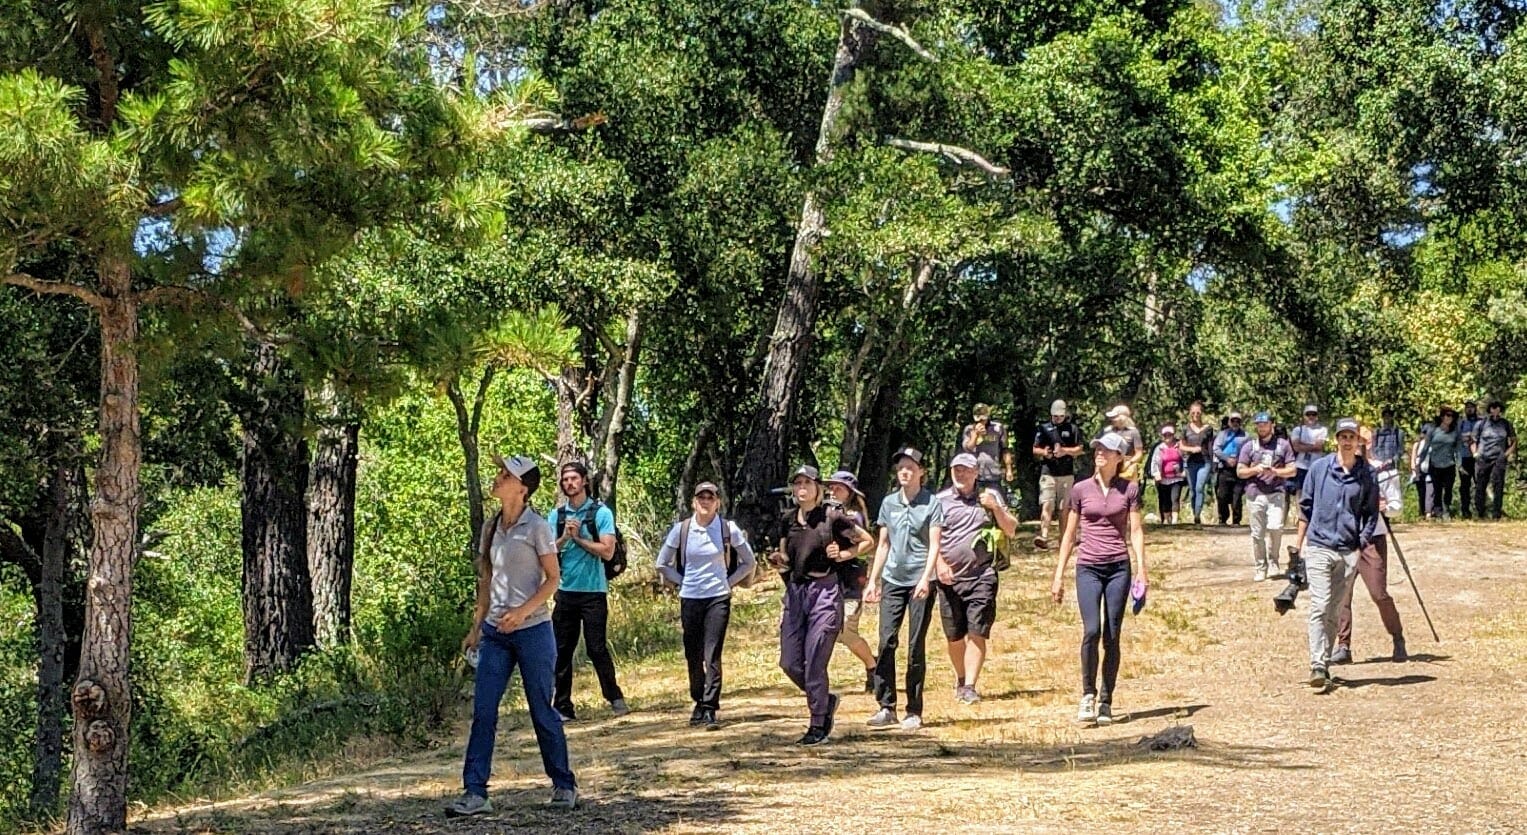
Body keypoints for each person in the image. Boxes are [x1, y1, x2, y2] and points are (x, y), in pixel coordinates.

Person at [449, 455, 577, 817]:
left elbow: (553, 579)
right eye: (500, 472)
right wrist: (476, 628)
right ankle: (475, 793)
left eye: (506, 475)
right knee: (484, 711)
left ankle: (564, 785)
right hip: (495, 635)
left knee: (542, 711)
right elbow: (486, 580)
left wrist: (522, 611)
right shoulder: (491, 527)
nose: (498, 478)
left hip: (533, 631)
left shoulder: (536, 527)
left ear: (522, 488)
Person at [770, 465, 874, 745]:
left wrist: (843, 554)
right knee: (790, 662)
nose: (802, 487)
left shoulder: (832, 516)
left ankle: (817, 723)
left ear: (818, 488)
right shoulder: (788, 519)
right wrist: (779, 560)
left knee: (815, 660)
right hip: (796, 592)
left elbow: (867, 541)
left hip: (825, 592)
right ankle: (825, 700)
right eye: (797, 483)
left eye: (807, 482)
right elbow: (786, 553)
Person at [1049, 432, 1147, 726]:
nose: (1100, 453)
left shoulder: (1129, 490)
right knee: (1092, 630)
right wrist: (1058, 576)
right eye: (1098, 449)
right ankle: (1088, 694)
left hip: (1118, 567)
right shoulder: (1080, 490)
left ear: (1119, 457)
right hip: (1088, 567)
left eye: (1107, 450)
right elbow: (1069, 535)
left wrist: (1142, 569)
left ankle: (1106, 699)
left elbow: (1137, 531)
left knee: (1112, 634)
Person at [654, 482, 757, 730]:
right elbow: (662, 563)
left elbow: (749, 561)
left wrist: (728, 583)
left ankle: (710, 706)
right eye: (701, 497)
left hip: (718, 598)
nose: (706, 501)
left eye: (711, 497)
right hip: (690, 598)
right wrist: (682, 583)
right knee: (693, 653)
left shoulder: (727, 529)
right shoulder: (682, 530)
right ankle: (698, 700)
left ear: (718, 502)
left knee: (712, 653)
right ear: (694, 502)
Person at [1293, 418, 1379, 692]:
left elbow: (1370, 512)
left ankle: (1326, 660)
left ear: (1357, 442)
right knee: (1320, 604)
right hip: (1319, 546)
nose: (1347, 441)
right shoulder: (1319, 469)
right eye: (1342, 436)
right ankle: (1317, 664)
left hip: (1347, 550)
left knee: (1334, 609)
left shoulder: (1366, 474)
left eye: (1351, 437)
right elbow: (1305, 506)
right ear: (1336, 440)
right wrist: (1299, 545)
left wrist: (1360, 541)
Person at [864, 448, 944, 731]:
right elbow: (883, 544)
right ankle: (886, 705)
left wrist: (926, 578)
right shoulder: (889, 503)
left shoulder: (931, 503)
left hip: (920, 580)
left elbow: (935, 544)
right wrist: (873, 580)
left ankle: (914, 709)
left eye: (910, 467)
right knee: (886, 640)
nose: (905, 472)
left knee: (914, 646)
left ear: (921, 471)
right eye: (900, 468)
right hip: (893, 579)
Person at [935, 453, 1019, 704]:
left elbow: (1012, 529)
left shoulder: (989, 498)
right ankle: (960, 678)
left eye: (966, 470)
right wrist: (939, 564)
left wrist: (995, 507)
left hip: (981, 575)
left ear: (975, 473)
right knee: (954, 635)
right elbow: (928, 538)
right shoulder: (939, 501)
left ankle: (970, 685)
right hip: (948, 578)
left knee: (977, 631)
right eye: (956, 470)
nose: (960, 475)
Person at [550, 462, 628, 721]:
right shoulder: (556, 516)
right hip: (565, 591)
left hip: (594, 592)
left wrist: (579, 538)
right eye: (565, 479)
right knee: (561, 650)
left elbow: (607, 550)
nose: (569, 483)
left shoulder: (601, 513)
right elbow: (548, 552)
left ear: (584, 481)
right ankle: (562, 707)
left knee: (596, 647)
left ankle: (614, 696)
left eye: (574, 478)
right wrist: (564, 537)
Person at [1332, 432, 1407, 666]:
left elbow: (1396, 507)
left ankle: (1397, 636)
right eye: (1352, 439)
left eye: (1362, 440)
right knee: (1342, 595)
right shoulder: (1335, 469)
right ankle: (1343, 645)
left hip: (1372, 539)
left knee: (1378, 593)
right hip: (1344, 538)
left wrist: (1385, 506)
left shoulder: (1383, 471)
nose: (1358, 445)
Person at [825, 471, 878, 693]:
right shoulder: (828, 514)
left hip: (850, 581)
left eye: (838, 488)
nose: (833, 491)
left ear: (849, 493)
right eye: (831, 487)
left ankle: (873, 666)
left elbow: (867, 544)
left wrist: (844, 555)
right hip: (829, 580)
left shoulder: (852, 517)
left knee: (845, 629)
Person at [1237, 412, 1297, 581]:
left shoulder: (1283, 445)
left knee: (1276, 528)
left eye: (1265, 424)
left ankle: (1274, 561)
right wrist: (1254, 470)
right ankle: (1260, 566)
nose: (1262, 427)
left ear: (1272, 424)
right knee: (1257, 533)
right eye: (1259, 424)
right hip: (1255, 494)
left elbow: (1292, 470)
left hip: (1276, 492)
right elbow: (1240, 471)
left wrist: (1276, 471)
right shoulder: (1250, 446)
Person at [1032, 399, 1086, 549]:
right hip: (1048, 472)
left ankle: (1065, 539)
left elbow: (1080, 449)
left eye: (1060, 416)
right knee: (1047, 503)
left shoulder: (1072, 429)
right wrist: (1045, 453)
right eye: (1055, 416)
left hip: (1066, 474)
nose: (1057, 419)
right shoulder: (1043, 428)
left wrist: (1064, 452)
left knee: (1064, 508)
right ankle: (1044, 535)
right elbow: (1035, 449)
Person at [1471, 400, 1517, 520]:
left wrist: (1506, 454)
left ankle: (1496, 514)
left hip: (1499, 458)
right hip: (1483, 457)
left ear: (1500, 410)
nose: (1495, 410)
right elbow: (1473, 441)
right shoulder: (1481, 424)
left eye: (1497, 408)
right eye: (1493, 407)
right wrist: (1475, 453)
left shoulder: (1506, 424)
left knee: (1498, 485)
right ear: (1489, 409)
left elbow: (1513, 441)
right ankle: (1480, 512)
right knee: (1481, 484)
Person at [962, 403, 1014, 497]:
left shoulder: (998, 428)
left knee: (997, 503)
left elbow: (1005, 449)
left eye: (983, 418)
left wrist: (1009, 469)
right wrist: (976, 435)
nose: (981, 421)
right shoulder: (969, 429)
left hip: (994, 474)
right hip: (975, 475)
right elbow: (968, 449)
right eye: (979, 418)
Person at [1288, 405, 1328, 523]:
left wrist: (1303, 445)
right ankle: (1301, 518)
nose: (1311, 417)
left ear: (1317, 416)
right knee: (1300, 492)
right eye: (1308, 414)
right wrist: (1312, 446)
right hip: (1301, 466)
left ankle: (1315, 518)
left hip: (1317, 466)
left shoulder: (1323, 430)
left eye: (1313, 414)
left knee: (1317, 492)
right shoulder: (1297, 430)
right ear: (1304, 416)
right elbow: (1296, 446)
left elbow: (1320, 446)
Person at [1180, 402, 1216, 525]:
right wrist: (1191, 449)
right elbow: (1181, 446)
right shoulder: (1185, 428)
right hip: (1190, 462)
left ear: (1201, 413)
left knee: (1199, 488)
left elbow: (1211, 446)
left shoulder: (1208, 429)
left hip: (1204, 462)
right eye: (1193, 412)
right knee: (1192, 490)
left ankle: (1197, 515)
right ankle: (1194, 510)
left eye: (1198, 412)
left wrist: (1213, 464)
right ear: (1190, 413)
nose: (1196, 414)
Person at [1423, 408, 1462, 520]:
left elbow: (1458, 449)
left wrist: (1459, 464)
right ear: (1442, 417)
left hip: (1449, 464)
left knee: (1448, 489)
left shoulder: (1455, 432)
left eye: (1451, 416)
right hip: (1435, 464)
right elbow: (1426, 448)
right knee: (1437, 489)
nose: (1449, 418)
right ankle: (1438, 511)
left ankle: (1447, 509)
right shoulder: (1433, 431)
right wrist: (1418, 463)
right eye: (1447, 415)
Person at [1368, 408, 1406, 519]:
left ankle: (1390, 515)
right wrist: (1377, 461)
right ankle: (1381, 517)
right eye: (1385, 416)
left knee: (1393, 496)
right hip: (1379, 468)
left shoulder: (1399, 432)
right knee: (1379, 494)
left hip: (1392, 469)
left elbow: (1400, 450)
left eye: (1389, 416)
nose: (1387, 418)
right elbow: (1373, 450)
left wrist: (1392, 460)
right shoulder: (1376, 432)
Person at [1213, 412, 1248, 525]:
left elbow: (1249, 450)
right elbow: (1216, 448)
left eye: (1238, 421)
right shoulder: (1222, 435)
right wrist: (1226, 459)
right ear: (1229, 422)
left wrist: (1239, 460)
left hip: (1239, 469)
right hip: (1224, 468)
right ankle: (1222, 519)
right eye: (1233, 420)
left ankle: (1236, 520)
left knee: (1237, 496)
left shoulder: (1246, 436)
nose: (1235, 423)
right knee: (1222, 495)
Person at [1147, 425, 1187, 524]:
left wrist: (1184, 471)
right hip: (1163, 479)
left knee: (1175, 498)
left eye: (1170, 434)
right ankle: (1166, 520)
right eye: (1165, 435)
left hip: (1177, 478)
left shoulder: (1179, 446)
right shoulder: (1159, 448)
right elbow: (1154, 463)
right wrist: (1156, 474)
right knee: (1165, 500)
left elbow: (1186, 459)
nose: (1167, 437)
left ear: (1173, 435)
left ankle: (1174, 520)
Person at [1101, 405, 1145, 480]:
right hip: (1109, 464)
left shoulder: (1133, 432)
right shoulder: (1107, 431)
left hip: (1126, 467)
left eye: (1115, 417)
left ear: (1123, 418)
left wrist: (1130, 462)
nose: (1112, 419)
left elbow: (1139, 453)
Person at [1458, 400, 1482, 519]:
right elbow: (1458, 438)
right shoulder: (1461, 423)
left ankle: (1481, 510)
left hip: (1479, 458)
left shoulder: (1481, 422)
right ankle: (1465, 511)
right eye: (1467, 407)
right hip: (1464, 458)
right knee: (1464, 486)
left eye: (1472, 407)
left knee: (1480, 484)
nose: (1469, 409)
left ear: (1476, 408)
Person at [1408, 418, 1434, 518]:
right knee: (1421, 492)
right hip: (1419, 470)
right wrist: (1414, 470)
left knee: (1430, 491)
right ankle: (1422, 512)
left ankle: (1428, 512)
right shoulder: (1417, 444)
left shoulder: (1433, 444)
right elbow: (1413, 458)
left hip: (1431, 469)